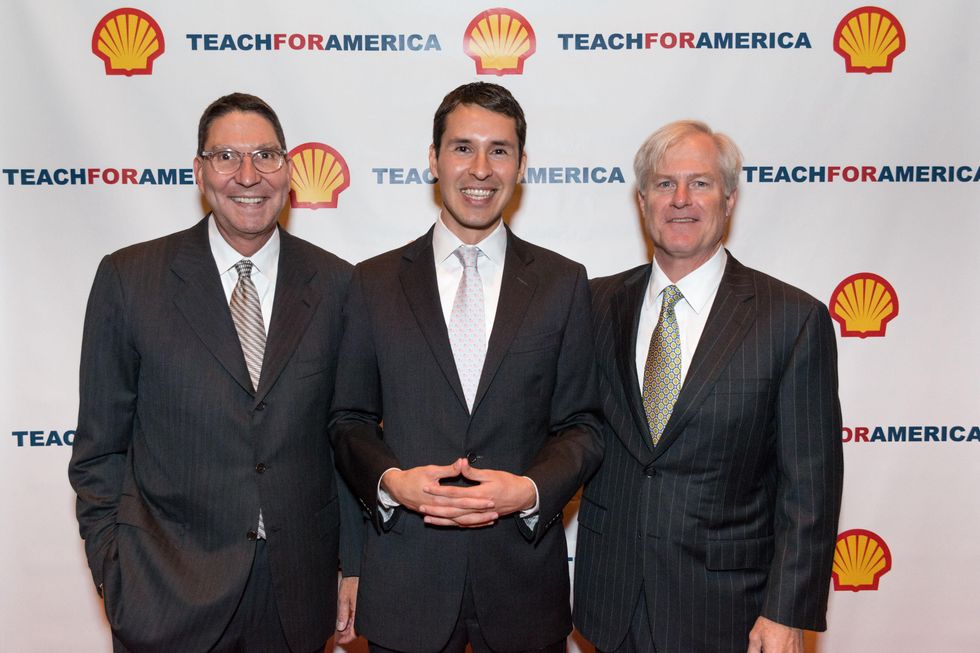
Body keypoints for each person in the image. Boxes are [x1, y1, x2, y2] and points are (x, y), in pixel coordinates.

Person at [68, 93, 362, 653]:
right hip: (164, 591)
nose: (248, 175)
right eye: (226, 157)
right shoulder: (130, 280)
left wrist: (353, 564)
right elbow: (99, 450)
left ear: (290, 169)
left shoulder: (338, 286)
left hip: (295, 596)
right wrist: (114, 568)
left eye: (266, 156)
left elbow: (345, 439)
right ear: (200, 172)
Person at [328, 82, 603, 653]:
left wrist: (529, 490)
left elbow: (583, 424)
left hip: (523, 585)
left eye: (499, 150)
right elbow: (348, 419)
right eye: (462, 148)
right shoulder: (372, 283)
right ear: (433, 159)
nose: (480, 168)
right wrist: (391, 483)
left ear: (522, 165)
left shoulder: (563, 283)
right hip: (407, 582)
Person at [573, 120, 843, 653]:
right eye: (664, 183)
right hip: (610, 602)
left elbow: (809, 489)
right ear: (642, 199)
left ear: (729, 198)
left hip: (728, 611)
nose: (680, 199)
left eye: (699, 183)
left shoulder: (791, 320)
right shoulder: (592, 305)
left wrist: (786, 611)